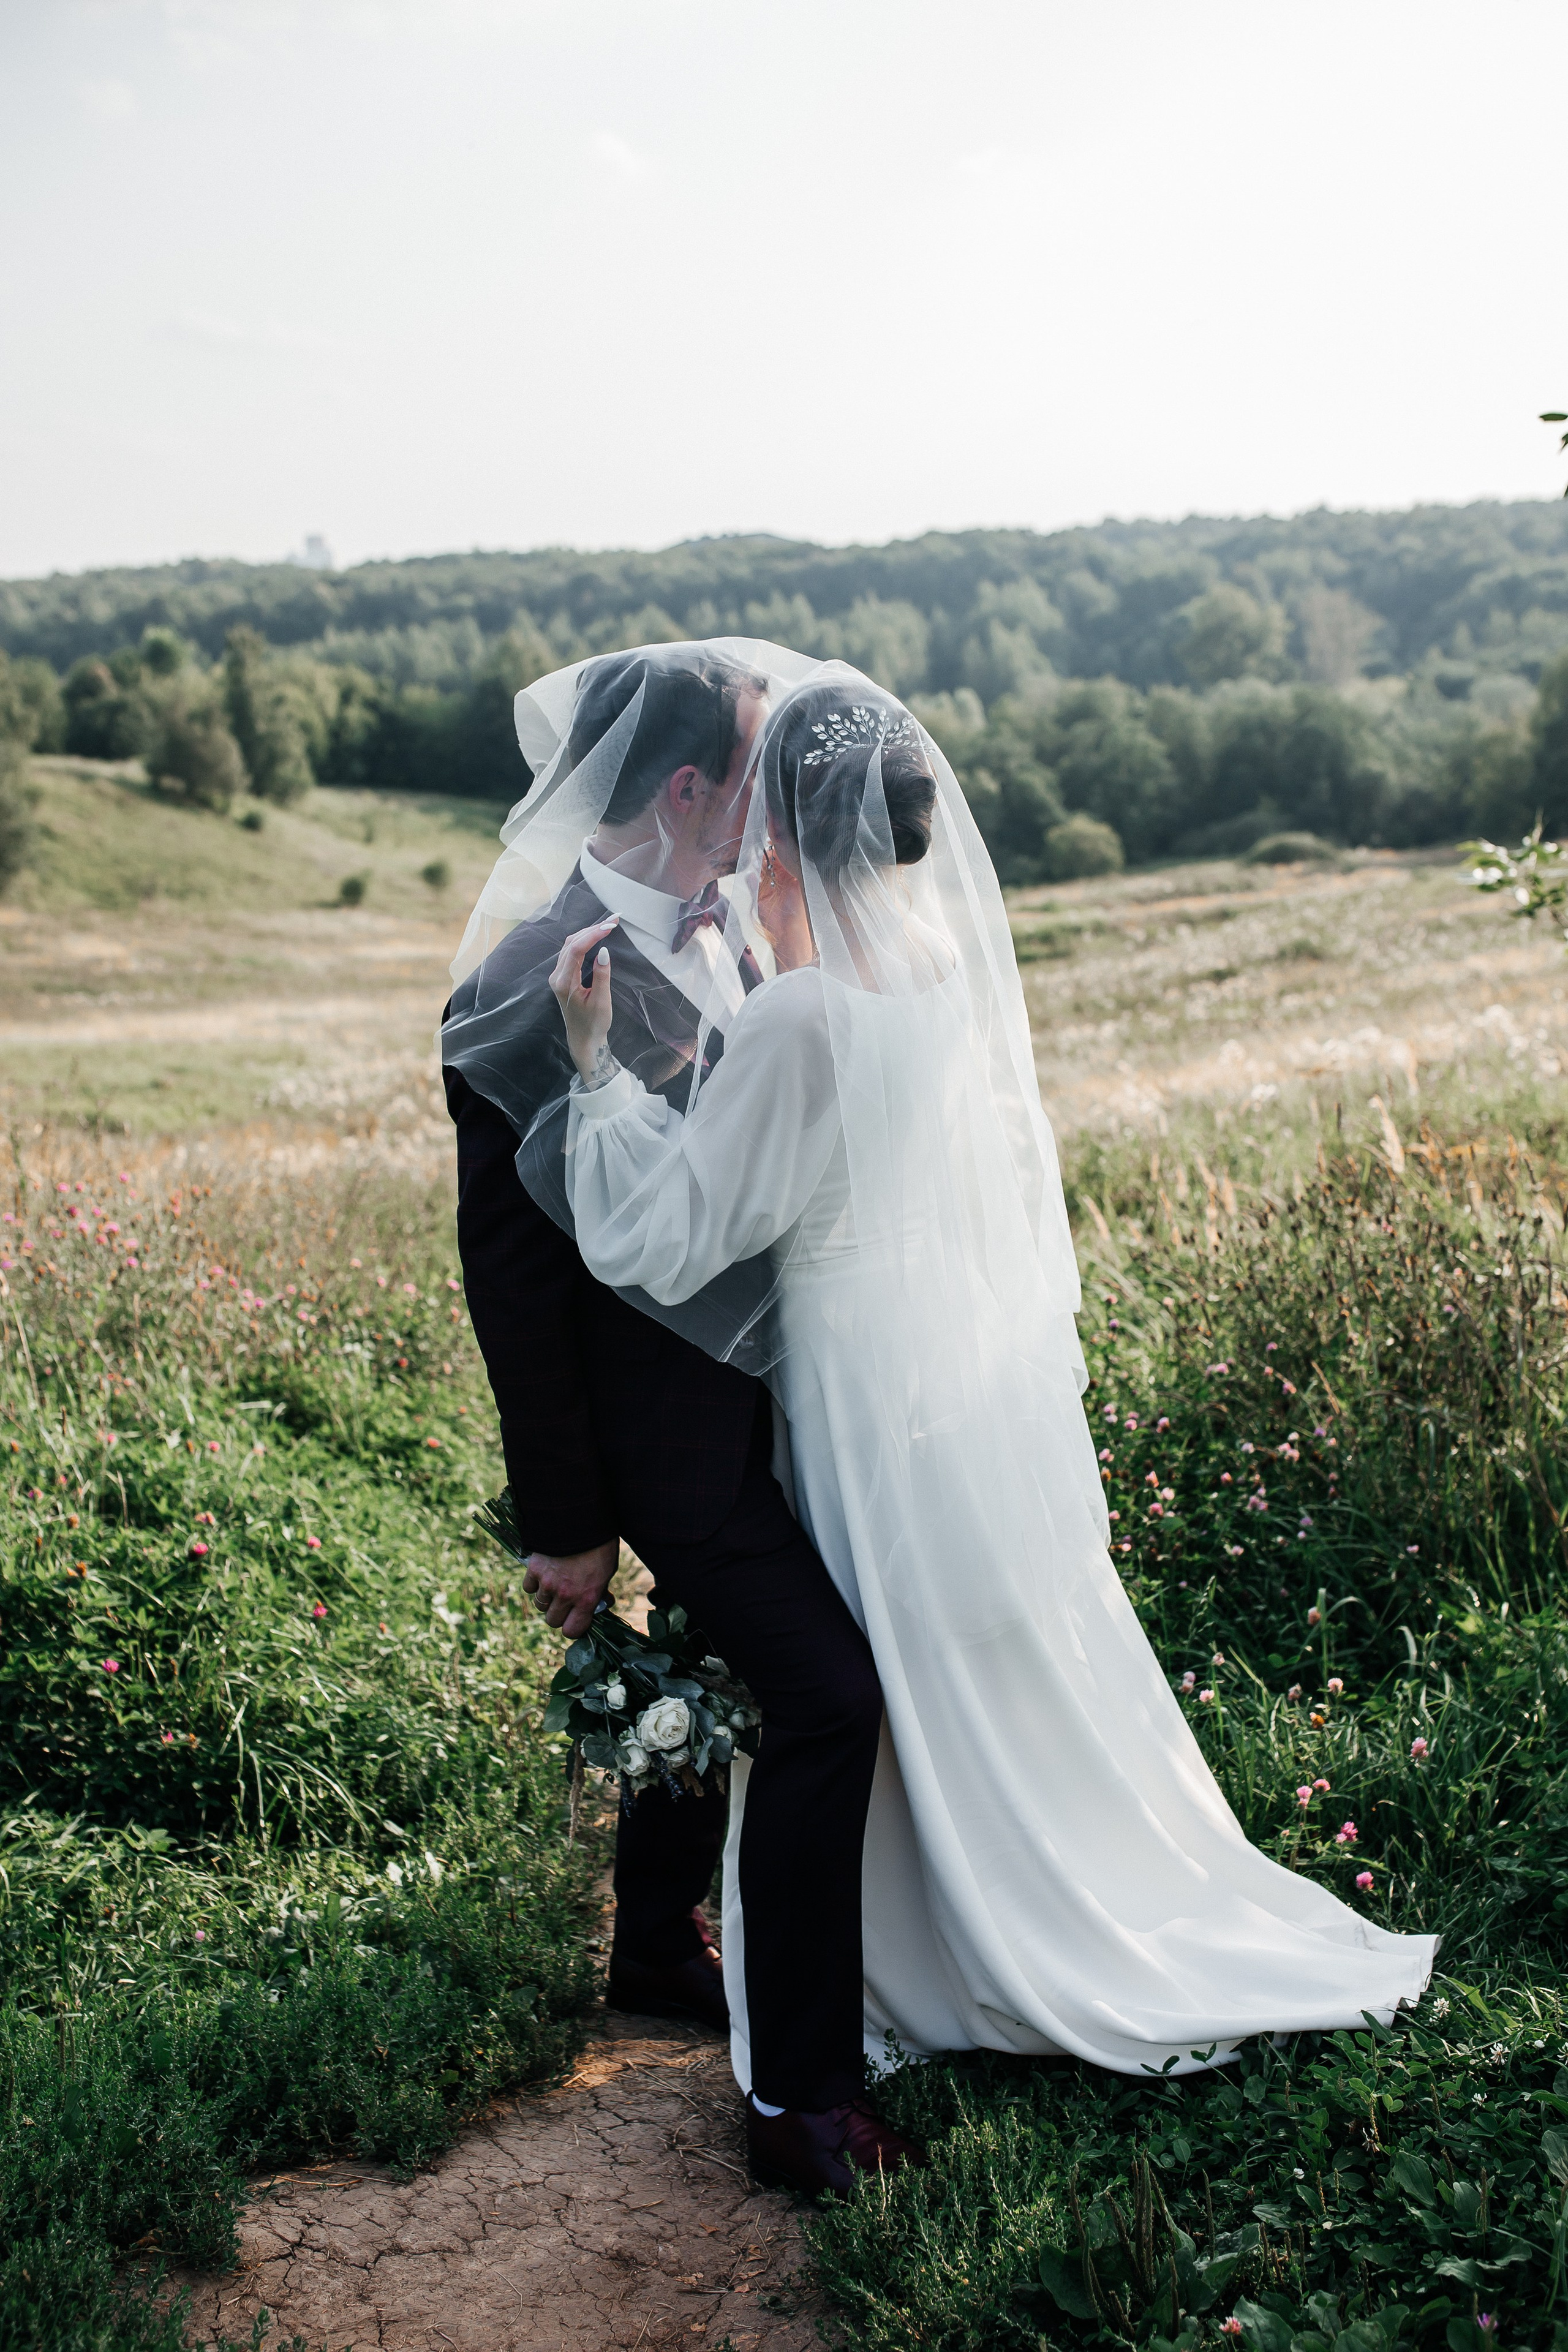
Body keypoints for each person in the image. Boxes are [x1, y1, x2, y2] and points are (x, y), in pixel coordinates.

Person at [535, 649, 1436, 2102]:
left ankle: (921, 1951)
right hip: (940, 1360)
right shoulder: (934, 970)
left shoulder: (796, 1018)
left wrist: (592, 1069)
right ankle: (992, 1899)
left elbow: (671, 1230)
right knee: (943, 1651)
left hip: (841, 1383)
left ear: (789, 830)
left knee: (858, 1667)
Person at [442, 641, 921, 2198]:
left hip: (779, 1408)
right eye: (749, 770)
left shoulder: (733, 934)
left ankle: (654, 1945)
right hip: (672, 1450)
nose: (766, 808)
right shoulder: (525, 988)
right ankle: (795, 2095)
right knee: (826, 1699)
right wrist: (568, 1518)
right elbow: (515, 1287)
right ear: (689, 788)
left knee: (713, 1660)